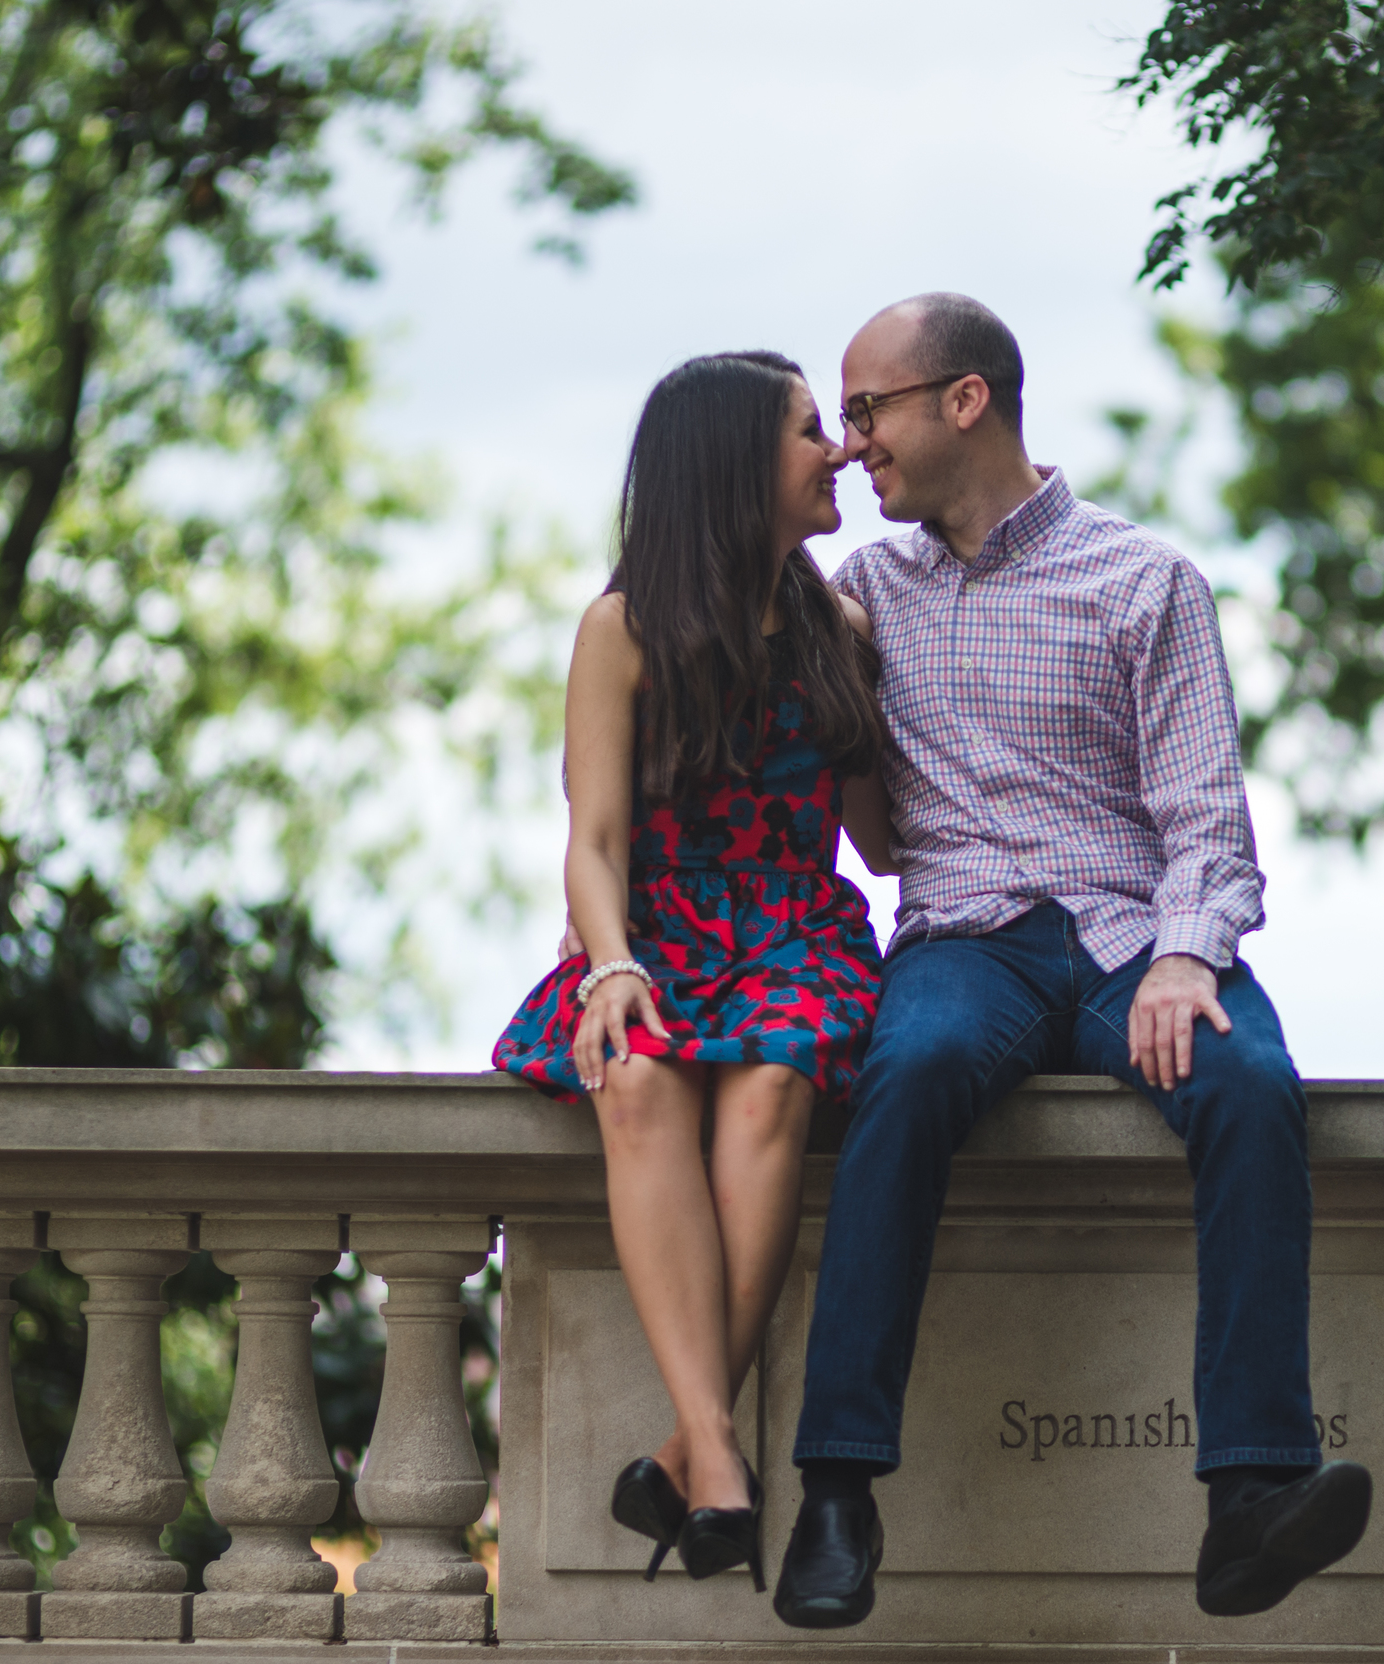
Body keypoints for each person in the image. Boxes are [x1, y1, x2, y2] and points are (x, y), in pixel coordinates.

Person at [771, 295, 1371, 1629]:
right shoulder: (860, 595)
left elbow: (1205, 816)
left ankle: (1252, 1502)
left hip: (1126, 939)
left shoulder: (1143, 580)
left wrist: (1185, 959)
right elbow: (709, 640)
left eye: (869, 412)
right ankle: (835, 1491)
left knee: (1251, 1088)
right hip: (964, 942)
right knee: (909, 1069)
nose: (854, 442)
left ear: (964, 399)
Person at [492, 350, 896, 1592]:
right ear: (730, 464)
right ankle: (712, 1451)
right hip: (653, 929)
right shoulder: (621, 627)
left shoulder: (842, 627)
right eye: (810, 430)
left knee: (777, 1075)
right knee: (636, 1076)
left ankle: (691, 1450)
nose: (836, 451)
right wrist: (610, 964)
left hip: (794, 929)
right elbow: (593, 839)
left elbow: (884, 839)